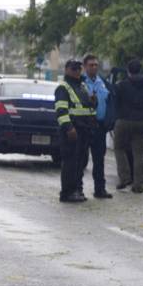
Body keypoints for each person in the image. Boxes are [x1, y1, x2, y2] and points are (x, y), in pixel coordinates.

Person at [112, 59, 143, 193]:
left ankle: (124, 178)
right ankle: (138, 184)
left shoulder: (121, 85)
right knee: (138, 153)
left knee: (119, 149)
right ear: (141, 70)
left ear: (128, 71)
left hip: (123, 121)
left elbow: (114, 101)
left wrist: (117, 115)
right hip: (142, 121)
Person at [54, 59, 98, 203]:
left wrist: (93, 102)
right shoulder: (63, 88)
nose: (77, 71)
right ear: (66, 70)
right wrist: (69, 128)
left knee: (80, 162)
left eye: (79, 69)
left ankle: (77, 190)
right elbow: (61, 110)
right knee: (70, 163)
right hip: (71, 131)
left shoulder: (82, 86)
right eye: (74, 69)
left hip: (84, 131)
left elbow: (87, 108)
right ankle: (67, 192)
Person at [81, 54, 115, 198]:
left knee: (99, 160)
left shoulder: (104, 83)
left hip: (100, 127)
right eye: (91, 65)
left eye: (96, 65)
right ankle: (77, 188)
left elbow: (111, 103)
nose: (94, 67)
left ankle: (100, 189)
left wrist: (109, 121)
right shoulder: (81, 83)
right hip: (84, 126)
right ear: (85, 66)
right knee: (81, 159)